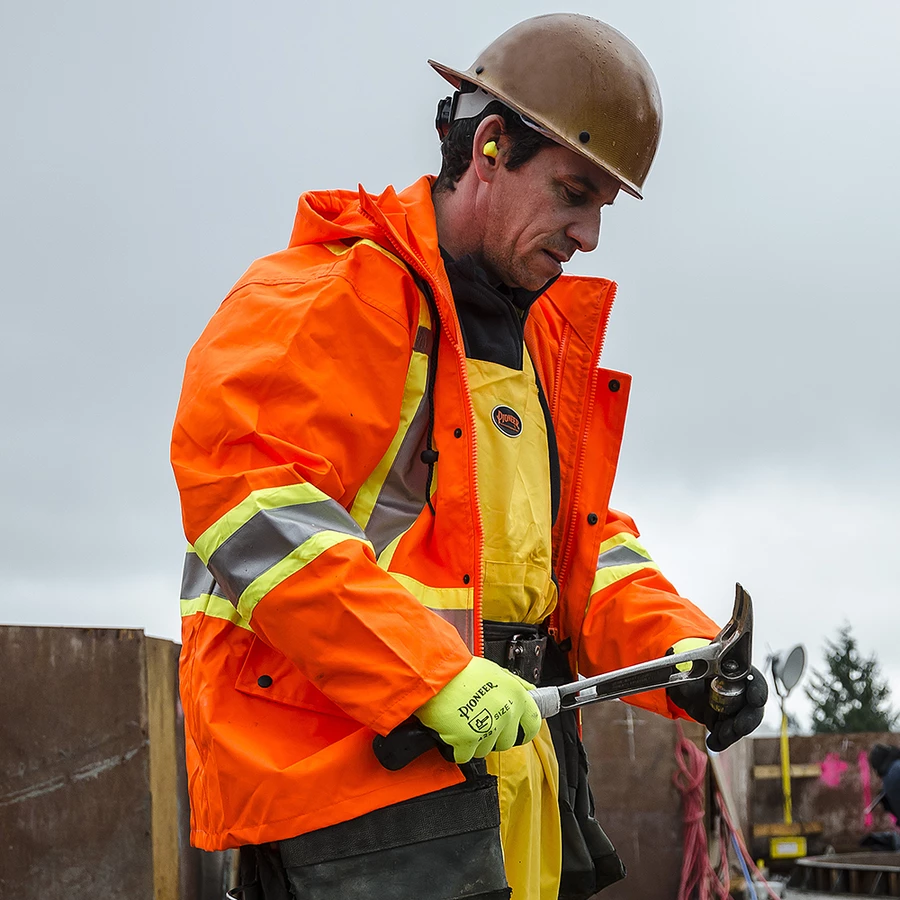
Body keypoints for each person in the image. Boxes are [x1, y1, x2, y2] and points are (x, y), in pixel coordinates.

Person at [171, 13, 767, 900]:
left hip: (514, 770)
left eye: (602, 207)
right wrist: (427, 673)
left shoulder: (539, 351)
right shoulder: (331, 297)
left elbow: (581, 552)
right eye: (573, 193)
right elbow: (250, 504)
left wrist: (683, 653)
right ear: (489, 147)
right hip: (363, 790)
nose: (589, 235)